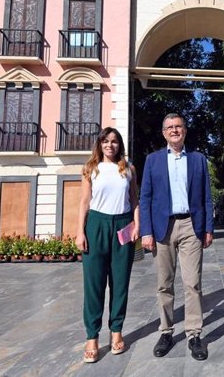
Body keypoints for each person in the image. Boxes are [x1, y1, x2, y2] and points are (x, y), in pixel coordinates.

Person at [140, 113, 214, 361]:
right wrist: (146, 231)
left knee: (193, 283)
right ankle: (167, 331)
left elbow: (206, 196)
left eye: (178, 126)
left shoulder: (198, 159)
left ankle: (194, 334)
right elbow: (146, 198)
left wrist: (208, 228)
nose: (174, 130)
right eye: (170, 127)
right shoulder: (152, 161)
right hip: (163, 228)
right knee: (164, 283)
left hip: (191, 226)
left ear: (185, 130)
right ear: (164, 133)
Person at [76, 127, 140, 364]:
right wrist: (79, 232)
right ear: (100, 144)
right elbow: (84, 202)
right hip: (96, 224)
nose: (110, 145)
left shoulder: (128, 169)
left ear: (119, 145)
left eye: (114, 141)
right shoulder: (91, 169)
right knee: (94, 284)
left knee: (120, 283)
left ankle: (116, 331)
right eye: (106, 141)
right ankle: (92, 337)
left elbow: (134, 199)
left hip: (123, 225)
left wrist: (137, 225)